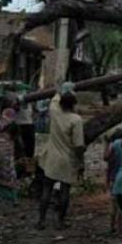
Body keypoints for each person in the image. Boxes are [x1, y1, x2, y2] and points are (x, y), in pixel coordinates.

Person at [36, 85, 85, 230]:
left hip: (51, 157)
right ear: (74, 104)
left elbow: (56, 97)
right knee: (65, 191)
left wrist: (63, 89)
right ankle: (60, 221)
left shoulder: (54, 112)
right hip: (67, 159)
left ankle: (41, 220)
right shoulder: (75, 120)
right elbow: (78, 145)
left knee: (47, 189)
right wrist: (81, 161)